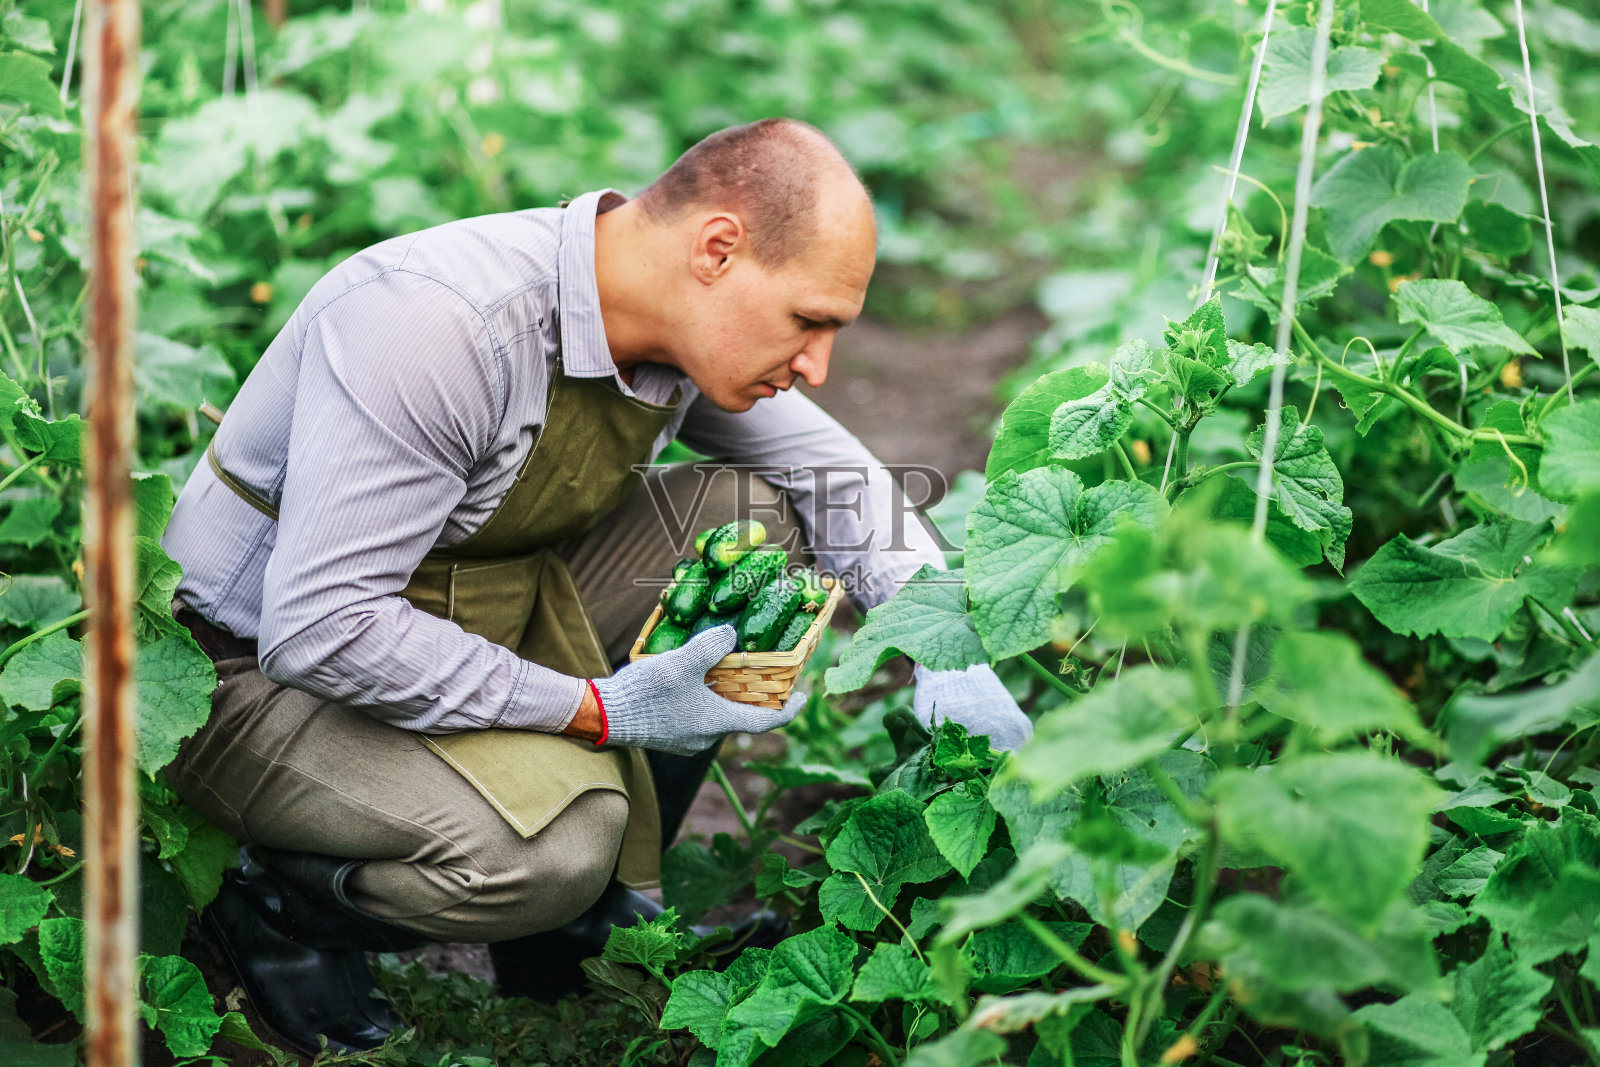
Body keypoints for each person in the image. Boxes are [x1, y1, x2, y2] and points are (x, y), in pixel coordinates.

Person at [162, 117, 1032, 1054]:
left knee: (748, 518)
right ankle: (281, 905)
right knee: (544, 854)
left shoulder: (665, 328)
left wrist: (945, 639)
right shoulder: (438, 325)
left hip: (476, 601)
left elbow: (836, 478)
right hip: (248, 676)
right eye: (808, 321)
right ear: (718, 250)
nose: (817, 364)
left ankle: (572, 940)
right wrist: (596, 708)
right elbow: (323, 627)